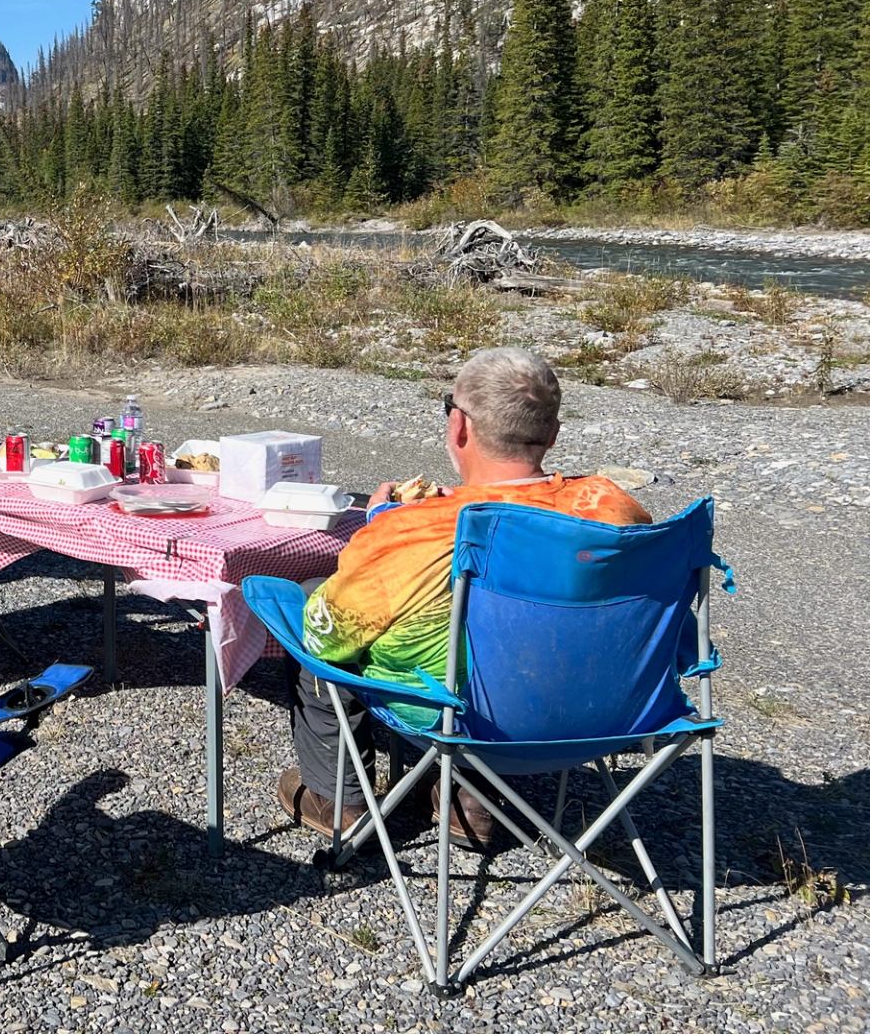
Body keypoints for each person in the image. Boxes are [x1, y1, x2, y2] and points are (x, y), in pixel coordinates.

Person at [278, 347, 651, 847]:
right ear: (553, 435)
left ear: (459, 428)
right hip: (603, 712)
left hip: (466, 718)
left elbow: (327, 638)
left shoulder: (417, 529)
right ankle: (467, 800)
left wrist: (379, 525)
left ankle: (340, 801)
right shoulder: (616, 507)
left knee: (314, 611)